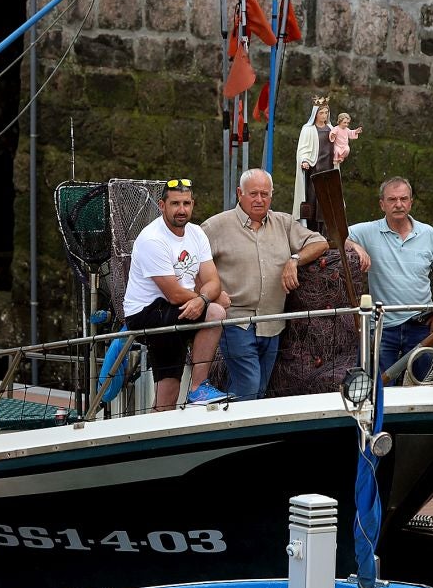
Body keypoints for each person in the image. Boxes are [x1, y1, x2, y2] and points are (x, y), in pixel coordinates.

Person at [201, 168, 328, 400]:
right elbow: (193, 267)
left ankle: (227, 429)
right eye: (253, 194)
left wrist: (294, 260)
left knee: (258, 389)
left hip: (272, 322)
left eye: (264, 194)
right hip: (236, 322)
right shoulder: (215, 227)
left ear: (271, 195)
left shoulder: (284, 223)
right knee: (249, 385)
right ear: (240, 193)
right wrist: (212, 294)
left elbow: (319, 243)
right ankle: (238, 433)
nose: (259, 199)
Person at [122, 177, 232, 410]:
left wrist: (205, 298)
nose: (181, 210)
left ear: (193, 204)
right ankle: (197, 389)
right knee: (215, 310)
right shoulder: (153, 238)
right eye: (175, 204)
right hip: (147, 312)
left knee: (214, 307)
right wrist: (206, 299)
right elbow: (172, 293)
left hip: (175, 307)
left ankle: (197, 389)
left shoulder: (196, 233)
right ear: (162, 206)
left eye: (186, 203)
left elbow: (213, 281)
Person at [347, 177, 433, 379]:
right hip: (383, 326)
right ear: (382, 204)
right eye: (392, 199)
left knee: (425, 386)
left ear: (411, 202)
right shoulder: (368, 231)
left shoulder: (428, 234)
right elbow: (335, 235)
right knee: (381, 389)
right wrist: (356, 246)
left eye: (403, 199)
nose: (398, 204)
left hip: (421, 324)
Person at [292, 96, 334, 233]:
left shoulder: (331, 129)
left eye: (326, 113)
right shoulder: (308, 129)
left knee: (326, 202)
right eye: (321, 112)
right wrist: (304, 160)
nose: (324, 115)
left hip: (328, 169)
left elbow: (340, 144)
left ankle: (325, 231)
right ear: (315, 113)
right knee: (312, 200)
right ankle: (310, 229)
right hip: (314, 170)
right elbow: (303, 148)